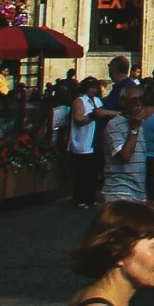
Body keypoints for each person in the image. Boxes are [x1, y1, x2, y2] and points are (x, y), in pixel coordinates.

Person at [99, 81, 148, 205]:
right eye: (133, 100)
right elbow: (124, 155)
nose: (138, 104)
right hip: (120, 190)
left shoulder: (140, 123)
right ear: (123, 102)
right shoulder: (114, 125)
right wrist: (134, 129)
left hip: (138, 191)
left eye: (140, 100)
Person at [67, 76, 103, 209]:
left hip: (95, 141)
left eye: (95, 87)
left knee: (93, 172)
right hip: (83, 142)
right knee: (82, 173)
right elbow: (78, 119)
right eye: (91, 87)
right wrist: (92, 116)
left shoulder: (98, 101)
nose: (93, 90)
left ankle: (91, 198)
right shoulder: (80, 101)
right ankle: (80, 199)